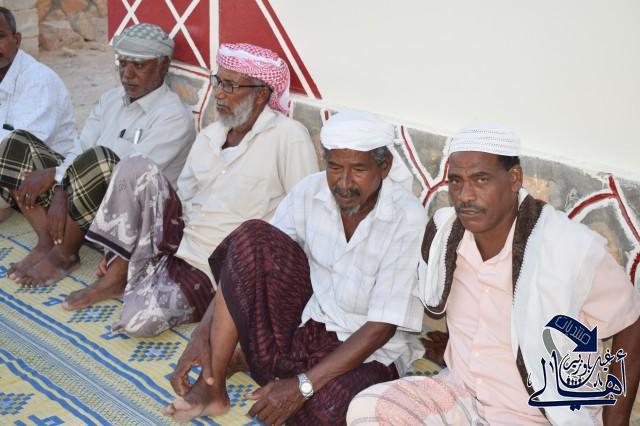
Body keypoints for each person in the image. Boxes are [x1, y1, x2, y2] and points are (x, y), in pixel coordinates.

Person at [347, 124, 640, 425]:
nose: (465, 196)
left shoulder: (569, 247)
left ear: (514, 179)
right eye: (456, 181)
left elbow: (631, 323)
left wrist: (615, 422)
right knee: (368, 408)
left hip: (537, 415)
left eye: (481, 180)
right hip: (462, 395)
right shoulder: (446, 235)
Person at [162, 111, 425, 425]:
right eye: (335, 167)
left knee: (330, 409)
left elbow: (381, 328)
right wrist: (205, 332)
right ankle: (212, 387)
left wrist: (303, 386)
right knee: (252, 235)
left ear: (384, 166)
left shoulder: (407, 219)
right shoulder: (310, 191)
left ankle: (276, 373)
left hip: (365, 350)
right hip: (303, 329)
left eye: (358, 170)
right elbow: (247, 262)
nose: (343, 183)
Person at [60, 43, 318, 338]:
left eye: (230, 86)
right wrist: (139, 240)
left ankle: (140, 278)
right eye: (218, 82)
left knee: (137, 322)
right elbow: (182, 197)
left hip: (218, 267)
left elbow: (304, 216)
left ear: (261, 94)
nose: (218, 94)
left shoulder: (288, 137)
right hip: (179, 240)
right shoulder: (210, 135)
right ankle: (118, 273)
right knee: (134, 166)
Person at [0, 23, 195, 288]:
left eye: (139, 66)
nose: (127, 74)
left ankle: (64, 255)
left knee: (102, 161)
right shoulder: (111, 99)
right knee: (16, 143)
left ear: (163, 66)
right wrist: (60, 182)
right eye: (122, 64)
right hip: (82, 200)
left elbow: (127, 178)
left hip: (127, 214)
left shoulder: (174, 117)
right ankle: (48, 241)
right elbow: (81, 145)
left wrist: (63, 188)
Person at [0, 6, 77, 223]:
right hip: (10, 175)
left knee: (13, 146)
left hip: (49, 179)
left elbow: (17, 151)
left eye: (0, 36)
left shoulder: (38, 81)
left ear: (17, 39)